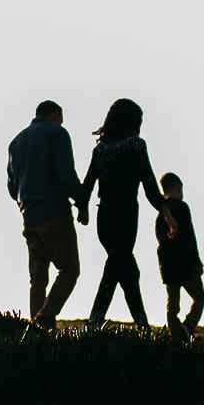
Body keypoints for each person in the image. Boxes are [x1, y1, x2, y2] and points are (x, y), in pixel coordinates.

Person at [78, 98, 173, 330]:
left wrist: (83, 210)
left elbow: (88, 184)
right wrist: (166, 212)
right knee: (118, 268)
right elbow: (149, 184)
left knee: (126, 270)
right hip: (126, 216)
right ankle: (96, 321)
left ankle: (141, 326)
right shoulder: (136, 146)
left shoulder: (100, 150)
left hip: (105, 218)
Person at [6, 99, 86, 331]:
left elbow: (12, 188)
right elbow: (66, 175)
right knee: (70, 269)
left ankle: (39, 333)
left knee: (38, 278)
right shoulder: (57, 134)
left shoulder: (16, 143)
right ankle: (44, 317)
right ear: (54, 115)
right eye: (60, 119)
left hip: (29, 218)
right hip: (56, 213)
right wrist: (81, 200)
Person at [155, 172, 204, 341]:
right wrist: (196, 261)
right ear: (177, 188)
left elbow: (160, 240)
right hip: (186, 264)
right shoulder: (182, 208)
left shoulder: (161, 213)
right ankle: (187, 328)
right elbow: (190, 237)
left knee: (172, 304)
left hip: (168, 266)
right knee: (199, 297)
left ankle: (174, 334)